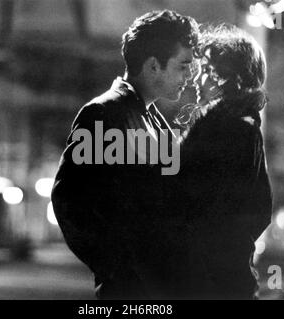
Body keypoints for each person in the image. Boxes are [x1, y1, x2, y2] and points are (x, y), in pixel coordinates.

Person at [51, 10, 198, 299]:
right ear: (154, 65)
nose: (189, 76)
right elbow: (68, 201)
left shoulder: (158, 122)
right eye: (183, 66)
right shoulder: (103, 114)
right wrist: (116, 266)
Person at [173, 24, 273, 299]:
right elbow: (261, 209)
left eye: (206, 70)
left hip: (210, 280)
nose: (196, 79)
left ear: (231, 79)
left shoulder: (229, 131)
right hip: (225, 276)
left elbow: (198, 202)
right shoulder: (241, 127)